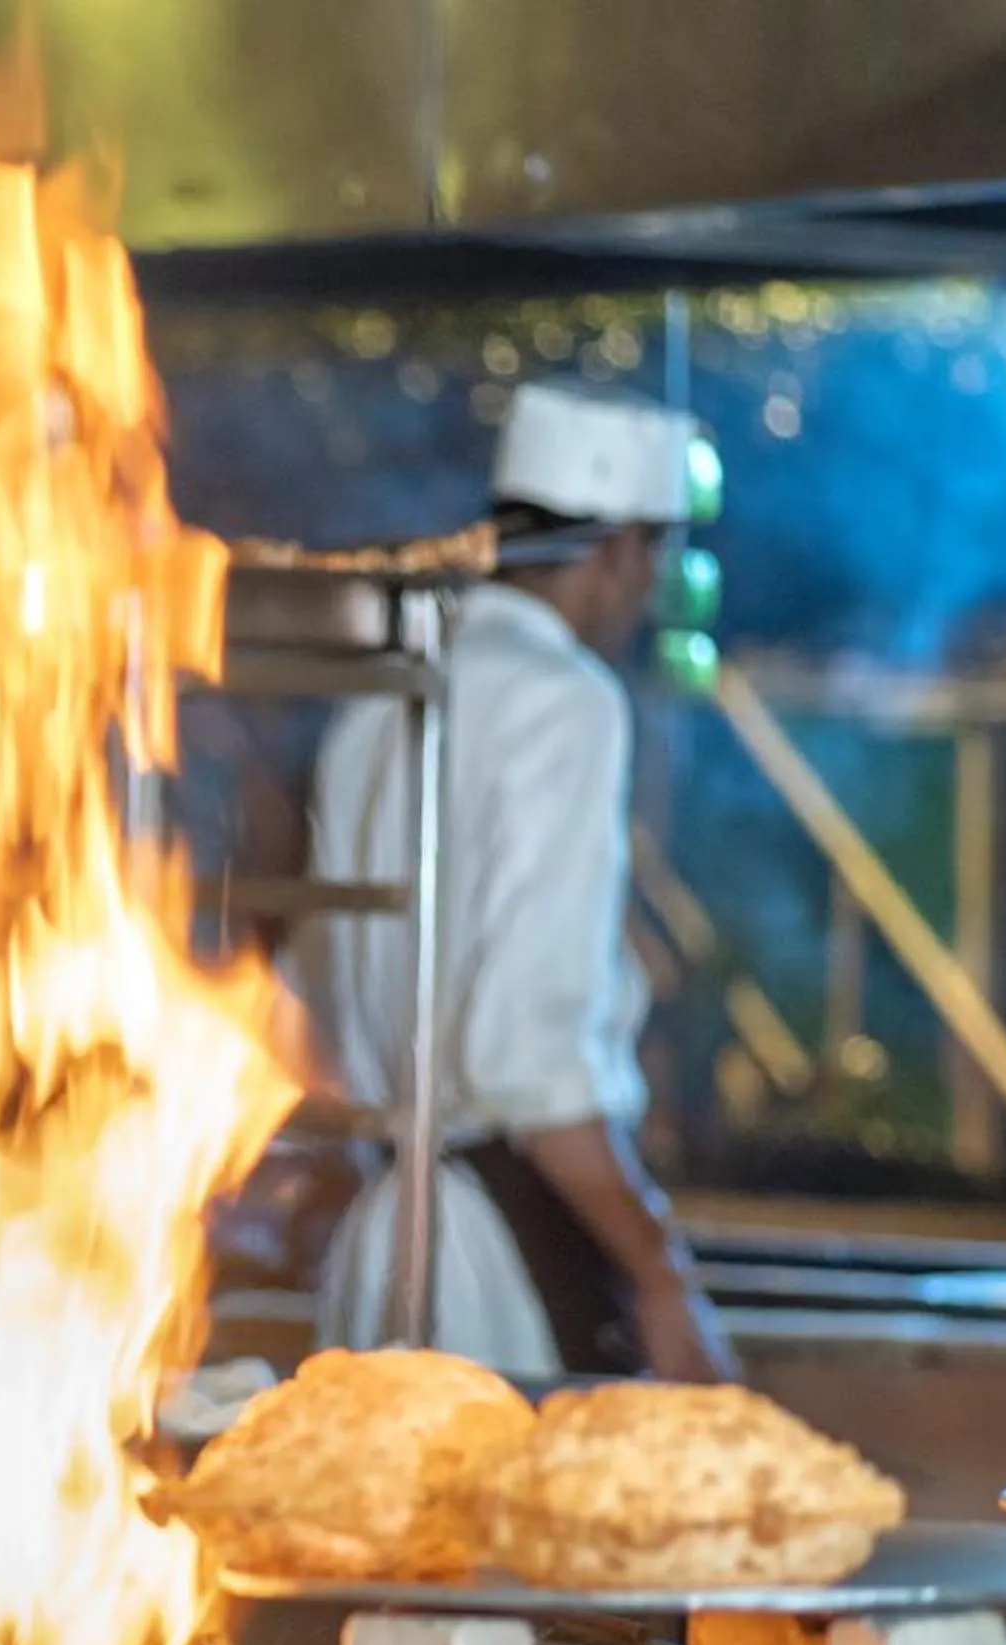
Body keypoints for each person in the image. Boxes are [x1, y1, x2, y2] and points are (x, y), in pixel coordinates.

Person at [300, 381, 736, 1384]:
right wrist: (662, 1274)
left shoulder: (384, 694)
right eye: (653, 560)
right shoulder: (566, 702)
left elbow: (324, 992)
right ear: (622, 552)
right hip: (492, 1265)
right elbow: (525, 1057)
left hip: (379, 1244)